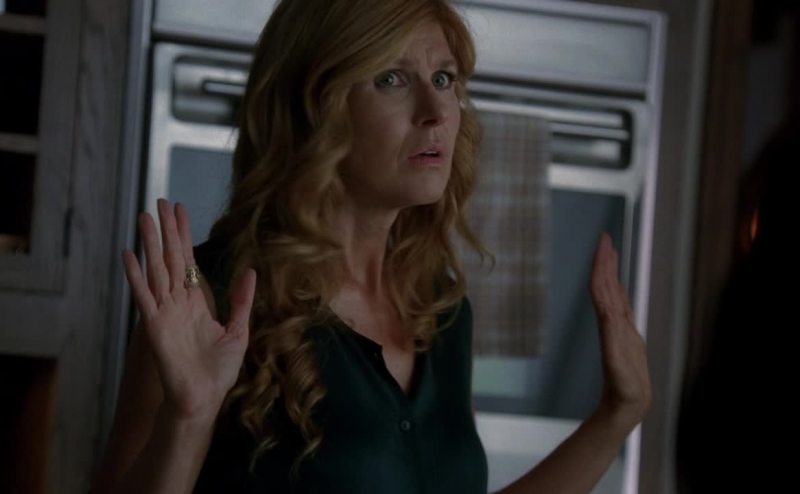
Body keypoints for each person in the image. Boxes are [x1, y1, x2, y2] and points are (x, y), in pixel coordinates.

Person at [94, 0, 651, 492]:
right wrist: (187, 418)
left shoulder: (442, 315)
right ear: (315, 107)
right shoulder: (209, 299)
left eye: (444, 78)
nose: (436, 111)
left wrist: (617, 415)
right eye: (391, 79)